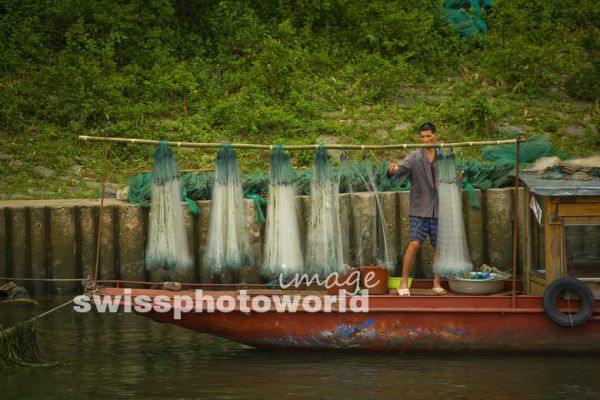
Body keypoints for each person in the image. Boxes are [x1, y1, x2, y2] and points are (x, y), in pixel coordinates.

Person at [387, 122, 447, 296]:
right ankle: (403, 283)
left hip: (438, 208)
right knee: (414, 243)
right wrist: (392, 170)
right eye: (422, 137)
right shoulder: (414, 156)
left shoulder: (443, 156)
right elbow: (399, 170)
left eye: (429, 136)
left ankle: (437, 282)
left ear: (435, 135)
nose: (426, 139)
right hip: (419, 208)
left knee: (438, 246)